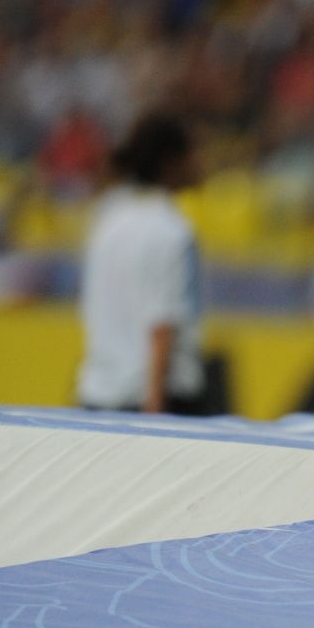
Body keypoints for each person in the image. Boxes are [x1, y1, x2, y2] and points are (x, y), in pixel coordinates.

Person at [78, 112, 207, 416]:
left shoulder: (105, 220)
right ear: (170, 162)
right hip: (154, 400)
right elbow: (162, 327)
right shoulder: (172, 230)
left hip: (98, 394)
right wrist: (155, 414)